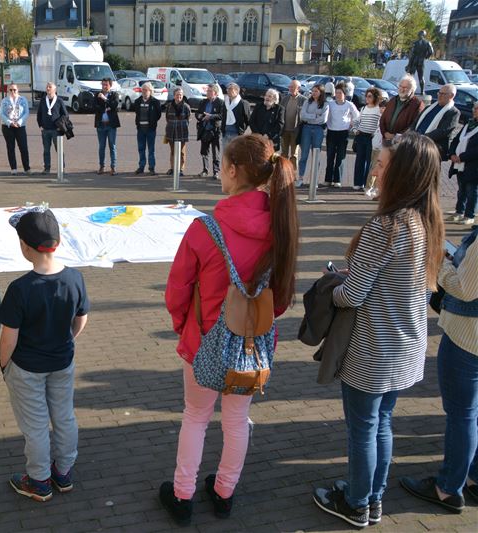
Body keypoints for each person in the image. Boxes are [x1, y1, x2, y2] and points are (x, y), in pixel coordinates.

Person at [160, 135, 299, 525]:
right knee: (236, 420)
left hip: (203, 339)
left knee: (195, 417)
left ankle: (182, 495)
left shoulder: (204, 229)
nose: (220, 174)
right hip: (252, 345)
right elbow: (283, 297)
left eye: (222, 166)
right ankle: (224, 491)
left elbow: (177, 291)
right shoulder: (281, 227)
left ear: (234, 170)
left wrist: (181, 326)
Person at [312, 133, 445, 528]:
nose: (375, 170)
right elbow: (395, 282)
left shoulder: (384, 226)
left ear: (402, 174)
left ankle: (355, 502)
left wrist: (331, 287)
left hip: (373, 349)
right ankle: (372, 498)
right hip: (406, 347)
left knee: (363, 430)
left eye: (382, 165)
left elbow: (353, 297)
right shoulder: (427, 222)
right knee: (382, 424)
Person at [0, 208, 90, 502]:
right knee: (64, 417)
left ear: (25, 247)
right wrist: (68, 339)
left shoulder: (19, 289)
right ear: (58, 243)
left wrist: (4, 365)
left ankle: (38, 481)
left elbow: (8, 337)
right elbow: (81, 319)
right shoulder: (75, 279)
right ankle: (63, 472)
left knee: (35, 426)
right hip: (62, 361)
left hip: (27, 367)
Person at [400, 226, 478, 514]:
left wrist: (441, 263)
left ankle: (448, 488)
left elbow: (465, 288)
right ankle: (473, 477)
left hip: (468, 336)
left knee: (463, 416)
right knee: (471, 414)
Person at [447, 101, 478, 225]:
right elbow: (456, 140)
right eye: (474, 108)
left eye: (477, 109)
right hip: (460, 165)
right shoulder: (468, 124)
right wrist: (452, 153)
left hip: (473, 166)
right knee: (461, 190)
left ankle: (469, 215)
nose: (474, 110)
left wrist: (462, 157)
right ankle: (459, 211)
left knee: (472, 191)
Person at [324, 83, 359, 187]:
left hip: (343, 133)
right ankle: (328, 179)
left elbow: (357, 116)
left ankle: (337, 180)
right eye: (337, 93)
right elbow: (326, 116)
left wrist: (351, 124)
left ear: (345, 94)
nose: (338, 95)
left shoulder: (349, 105)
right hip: (331, 132)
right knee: (330, 156)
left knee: (340, 157)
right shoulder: (330, 104)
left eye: (340, 93)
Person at [414, 83, 460, 161]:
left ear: (451, 96)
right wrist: (411, 134)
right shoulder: (429, 108)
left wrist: (421, 138)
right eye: (439, 93)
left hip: (432, 149)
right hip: (416, 143)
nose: (439, 95)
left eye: (443, 94)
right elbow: (415, 122)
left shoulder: (454, 112)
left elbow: (443, 131)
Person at [297, 84, 330, 187]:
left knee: (316, 155)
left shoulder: (325, 104)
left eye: (316, 91)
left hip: (318, 129)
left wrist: (310, 116)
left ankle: (314, 180)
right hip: (306, 128)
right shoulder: (308, 101)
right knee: (304, 155)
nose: (314, 93)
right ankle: (301, 177)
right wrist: (315, 116)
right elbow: (303, 115)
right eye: (313, 91)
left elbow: (323, 119)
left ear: (321, 92)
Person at [352, 88, 383, 191]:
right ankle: (357, 183)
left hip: (371, 138)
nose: (367, 98)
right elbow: (356, 121)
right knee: (359, 160)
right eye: (366, 96)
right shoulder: (363, 108)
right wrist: (355, 130)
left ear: (375, 97)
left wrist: (375, 134)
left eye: (369, 96)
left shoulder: (379, 109)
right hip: (361, 136)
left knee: (370, 162)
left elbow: (380, 123)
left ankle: (367, 184)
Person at [379, 74, 424, 147]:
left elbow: (414, 125)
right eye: (400, 86)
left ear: (412, 89)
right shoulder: (393, 100)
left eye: (405, 87)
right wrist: (384, 133)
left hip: (403, 144)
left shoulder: (417, 104)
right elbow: (383, 119)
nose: (402, 89)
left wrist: (396, 136)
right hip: (386, 140)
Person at [36, 82, 69, 175]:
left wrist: (60, 126)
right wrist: (40, 125)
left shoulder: (59, 101)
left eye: (50, 87)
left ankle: (62, 169)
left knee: (59, 150)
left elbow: (66, 115)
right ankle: (47, 168)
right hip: (45, 130)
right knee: (46, 150)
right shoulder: (43, 100)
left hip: (56, 130)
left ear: (54, 90)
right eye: (47, 87)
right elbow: (39, 114)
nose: (47, 88)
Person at [0, 83, 31, 175]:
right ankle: (13, 168)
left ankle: (27, 168)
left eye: (14, 90)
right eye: (11, 90)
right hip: (7, 127)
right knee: (10, 147)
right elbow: (1, 114)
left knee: (23, 147)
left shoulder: (23, 99)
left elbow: (26, 112)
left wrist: (19, 122)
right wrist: (10, 123)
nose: (13, 92)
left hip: (20, 126)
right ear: (8, 91)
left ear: (18, 90)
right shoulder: (4, 100)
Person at [132, 82, 162, 175]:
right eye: (142, 90)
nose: (144, 92)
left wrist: (152, 122)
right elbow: (137, 113)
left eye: (146, 90)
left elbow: (158, 115)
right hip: (140, 129)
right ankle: (141, 167)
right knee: (141, 148)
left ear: (150, 91)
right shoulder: (137, 101)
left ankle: (151, 168)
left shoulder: (155, 102)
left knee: (151, 149)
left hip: (151, 129)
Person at [195, 83, 224, 179]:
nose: (207, 92)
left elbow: (222, 116)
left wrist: (211, 116)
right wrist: (200, 116)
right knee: (204, 151)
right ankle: (205, 170)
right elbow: (198, 113)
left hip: (215, 131)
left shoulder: (220, 103)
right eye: (207, 91)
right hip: (204, 130)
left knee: (216, 152)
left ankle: (216, 172)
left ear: (215, 93)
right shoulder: (203, 102)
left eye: (209, 91)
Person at [93, 78, 120, 175]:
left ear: (110, 86)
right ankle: (102, 166)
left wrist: (105, 99)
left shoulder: (114, 95)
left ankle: (113, 167)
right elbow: (94, 107)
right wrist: (106, 108)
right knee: (101, 146)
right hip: (101, 125)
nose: (104, 87)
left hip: (111, 125)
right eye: (103, 84)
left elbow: (114, 105)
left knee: (112, 146)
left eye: (106, 85)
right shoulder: (97, 95)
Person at [280, 80, 307, 171]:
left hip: (296, 131)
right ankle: (283, 172)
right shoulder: (285, 99)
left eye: (292, 87)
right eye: (289, 87)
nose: (290, 89)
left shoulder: (304, 100)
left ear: (298, 88)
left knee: (294, 154)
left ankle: (292, 173)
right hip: (284, 130)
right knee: (283, 153)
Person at [164, 87, 192, 176]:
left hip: (182, 131)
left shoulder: (186, 107)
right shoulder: (169, 106)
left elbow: (188, 118)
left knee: (182, 152)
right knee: (172, 151)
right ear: (174, 96)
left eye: (180, 95)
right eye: (177, 95)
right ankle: (172, 168)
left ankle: (180, 169)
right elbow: (167, 118)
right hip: (171, 131)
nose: (179, 96)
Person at [223, 83, 249, 151]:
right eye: (227, 89)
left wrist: (242, 129)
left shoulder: (243, 103)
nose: (227, 91)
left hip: (236, 134)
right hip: (226, 133)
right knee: (226, 155)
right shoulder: (225, 102)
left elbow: (247, 119)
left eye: (230, 89)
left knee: (236, 155)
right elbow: (223, 116)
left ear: (236, 91)